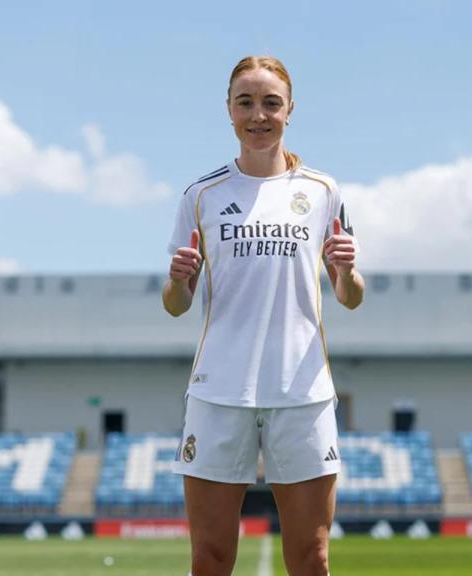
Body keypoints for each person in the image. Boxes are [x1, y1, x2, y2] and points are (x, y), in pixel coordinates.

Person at [163, 55, 364, 576]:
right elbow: (176, 305)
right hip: (218, 392)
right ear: (228, 110)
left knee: (312, 558)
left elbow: (350, 296)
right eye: (245, 102)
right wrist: (178, 282)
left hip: (302, 391)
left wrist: (347, 271)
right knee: (209, 559)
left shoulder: (323, 191)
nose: (258, 115)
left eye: (271, 103)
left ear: (290, 109)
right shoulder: (201, 195)